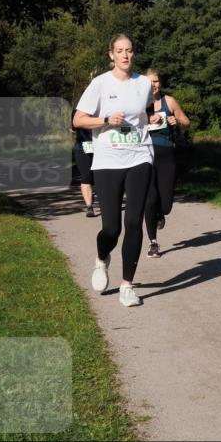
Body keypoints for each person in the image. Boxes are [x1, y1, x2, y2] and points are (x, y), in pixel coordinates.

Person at [73, 34, 163, 308]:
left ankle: (127, 286)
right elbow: (78, 119)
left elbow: (144, 113)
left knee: (133, 222)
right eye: (120, 51)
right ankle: (102, 259)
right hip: (107, 160)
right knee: (111, 228)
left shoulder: (144, 83)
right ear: (111, 54)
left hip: (139, 156)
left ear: (133, 54)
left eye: (130, 51)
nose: (125, 55)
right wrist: (105, 120)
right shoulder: (100, 83)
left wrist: (153, 118)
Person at [143, 69, 191, 257]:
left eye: (155, 81)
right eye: (149, 82)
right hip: (144, 155)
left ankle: (160, 214)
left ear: (160, 83)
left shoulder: (168, 101)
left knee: (166, 205)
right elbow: (125, 127)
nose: (153, 85)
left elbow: (186, 122)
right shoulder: (138, 104)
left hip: (166, 155)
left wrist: (176, 120)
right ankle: (153, 242)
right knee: (150, 199)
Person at [71, 105, 97, 217]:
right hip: (82, 148)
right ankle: (89, 207)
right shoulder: (77, 113)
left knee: (96, 177)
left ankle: (93, 195)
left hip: (101, 148)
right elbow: (72, 128)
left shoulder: (101, 111)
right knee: (86, 177)